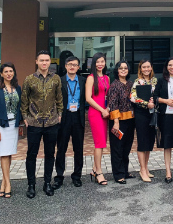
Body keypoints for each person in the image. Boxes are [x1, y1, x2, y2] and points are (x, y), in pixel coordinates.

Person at [21, 50, 64, 198]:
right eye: (42, 60)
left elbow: (59, 98)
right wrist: (25, 117)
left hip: (52, 122)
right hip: (34, 123)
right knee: (31, 155)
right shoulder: (29, 79)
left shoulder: (56, 78)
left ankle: (47, 183)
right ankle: (31, 185)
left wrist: (59, 115)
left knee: (50, 154)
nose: (44, 63)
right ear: (36, 62)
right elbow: (24, 100)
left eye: (47, 60)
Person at [0, 62, 22, 199]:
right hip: (1, 126)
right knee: (3, 154)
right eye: (6, 71)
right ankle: (8, 183)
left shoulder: (17, 88)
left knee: (9, 154)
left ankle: (3, 183)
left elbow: (20, 107)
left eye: (11, 71)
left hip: (12, 125)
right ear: (1, 74)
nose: (9, 73)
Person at [54, 56, 86, 188]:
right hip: (64, 117)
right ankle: (59, 176)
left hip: (78, 116)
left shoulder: (84, 81)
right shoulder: (59, 81)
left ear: (78, 67)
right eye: (70, 64)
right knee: (61, 148)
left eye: (75, 65)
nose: (72, 67)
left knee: (78, 148)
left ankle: (77, 175)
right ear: (66, 66)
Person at [108, 60, 135, 184]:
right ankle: (118, 174)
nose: (123, 70)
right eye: (121, 68)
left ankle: (125, 171)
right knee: (117, 148)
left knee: (127, 147)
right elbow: (113, 104)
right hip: (118, 121)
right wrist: (116, 121)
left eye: (125, 68)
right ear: (117, 71)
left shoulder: (131, 84)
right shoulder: (114, 85)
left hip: (130, 120)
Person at [130, 59, 158, 182]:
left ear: (151, 67)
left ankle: (146, 168)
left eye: (148, 67)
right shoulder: (138, 82)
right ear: (140, 69)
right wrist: (147, 104)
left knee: (149, 142)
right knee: (142, 141)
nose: (146, 69)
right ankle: (142, 170)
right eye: (144, 67)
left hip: (152, 114)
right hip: (141, 114)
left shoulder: (155, 81)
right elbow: (132, 97)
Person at [85, 52, 110, 185]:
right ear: (94, 64)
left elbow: (108, 96)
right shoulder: (90, 78)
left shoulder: (106, 77)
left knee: (102, 141)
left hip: (105, 113)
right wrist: (101, 110)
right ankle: (99, 172)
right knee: (99, 143)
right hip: (96, 113)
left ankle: (94, 168)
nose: (100, 64)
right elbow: (88, 98)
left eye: (102, 61)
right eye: (98, 62)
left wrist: (108, 109)